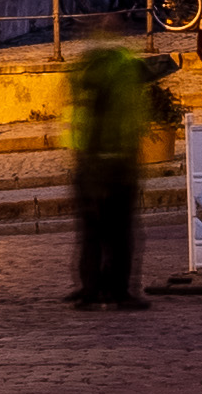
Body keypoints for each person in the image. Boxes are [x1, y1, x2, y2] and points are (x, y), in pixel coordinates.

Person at [61, 22, 164, 313]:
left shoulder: (80, 70)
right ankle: (118, 291)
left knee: (91, 232)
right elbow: (128, 115)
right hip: (117, 159)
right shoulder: (123, 67)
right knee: (120, 232)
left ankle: (91, 291)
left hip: (85, 159)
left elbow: (72, 114)